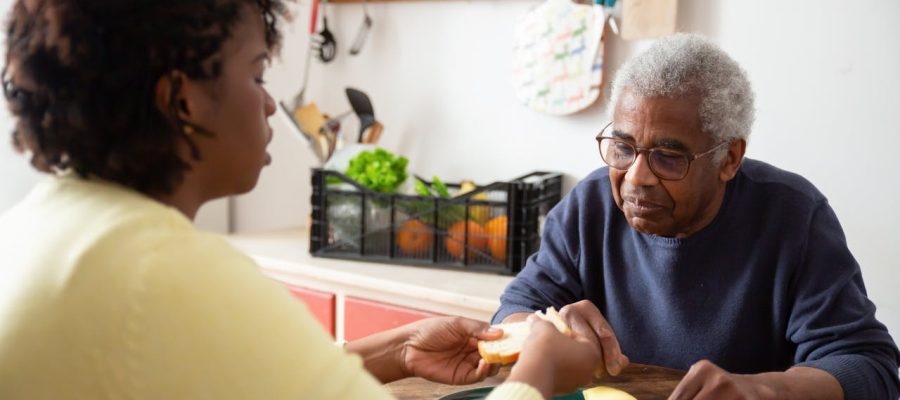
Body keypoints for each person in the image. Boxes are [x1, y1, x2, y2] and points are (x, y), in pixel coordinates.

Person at [0, 1, 601, 399]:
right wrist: (538, 371)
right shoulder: (167, 272)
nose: (269, 103)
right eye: (258, 73)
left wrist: (397, 349)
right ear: (182, 101)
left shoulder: (37, 229)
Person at [494, 33, 900, 400]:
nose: (636, 177)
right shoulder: (591, 206)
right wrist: (538, 331)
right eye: (623, 148)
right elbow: (515, 310)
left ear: (729, 158)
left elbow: (869, 367)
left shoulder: (793, 217)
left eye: (668, 157)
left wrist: (762, 389)